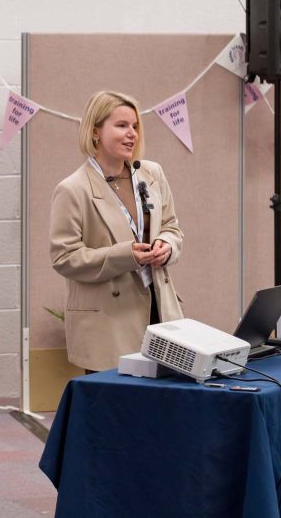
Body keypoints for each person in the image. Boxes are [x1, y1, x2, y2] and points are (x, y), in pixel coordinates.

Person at [49, 90, 184, 373]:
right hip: (108, 325)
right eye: (121, 126)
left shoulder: (152, 174)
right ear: (95, 132)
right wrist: (126, 256)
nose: (131, 134)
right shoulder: (73, 189)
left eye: (134, 126)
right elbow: (64, 258)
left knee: (163, 410)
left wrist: (166, 245)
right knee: (117, 413)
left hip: (159, 311)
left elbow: (172, 226)